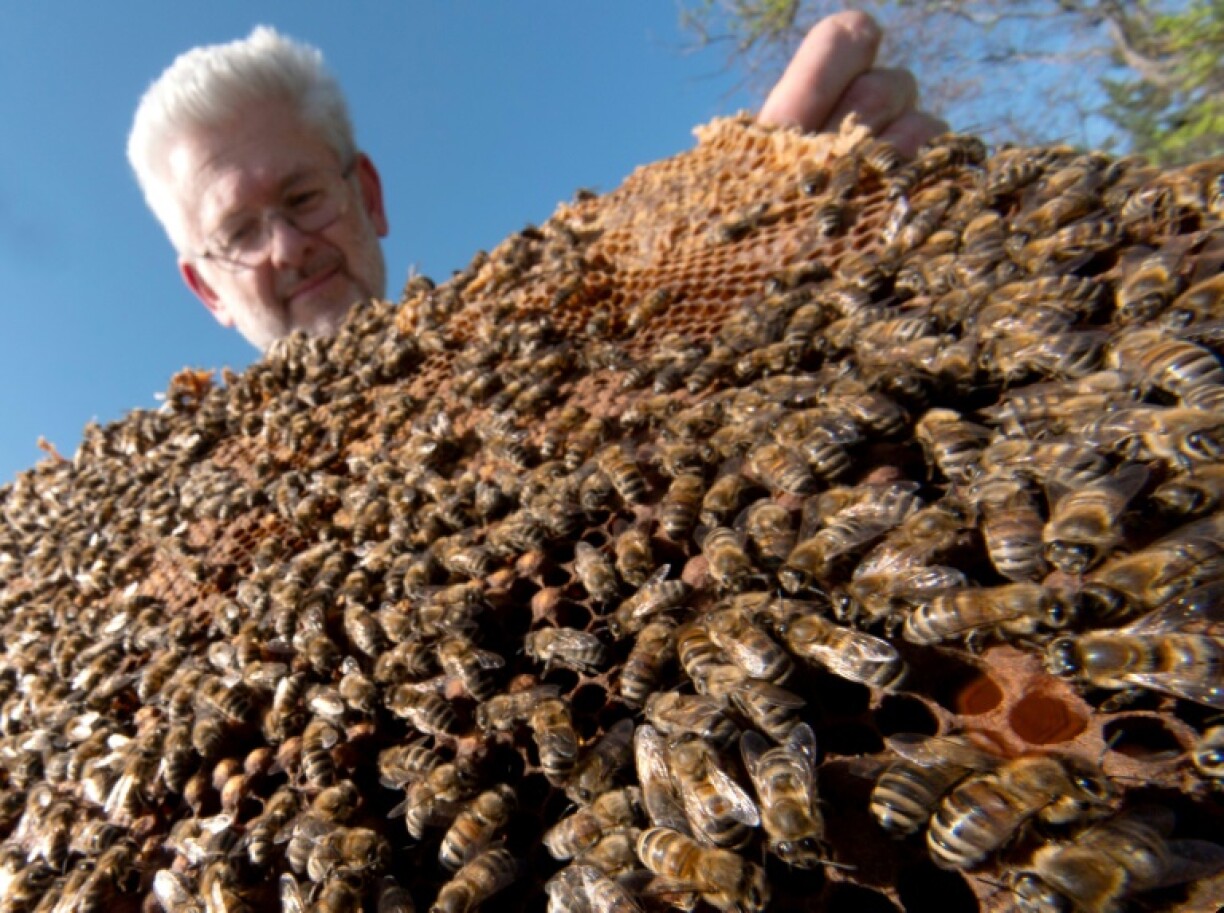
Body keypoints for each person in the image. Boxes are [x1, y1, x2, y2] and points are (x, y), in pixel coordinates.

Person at [128, 11, 945, 352]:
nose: (287, 246)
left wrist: (740, 228)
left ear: (366, 195)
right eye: (239, 231)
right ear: (205, 288)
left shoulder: (572, 335)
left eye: (303, 196)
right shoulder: (150, 554)